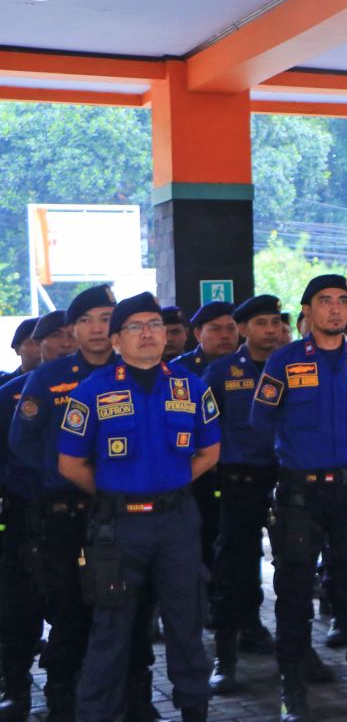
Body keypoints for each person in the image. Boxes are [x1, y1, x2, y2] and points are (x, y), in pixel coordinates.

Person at [57, 292, 218, 722]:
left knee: (186, 623)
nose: (147, 334)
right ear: (116, 341)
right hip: (119, 526)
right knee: (111, 630)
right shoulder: (92, 392)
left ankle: (194, 711)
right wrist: (118, 489)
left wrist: (172, 485)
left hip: (177, 523)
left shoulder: (192, 386)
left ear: (167, 335)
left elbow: (210, 451)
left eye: (155, 326)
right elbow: (70, 464)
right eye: (134, 327)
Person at [251, 274, 347, 722]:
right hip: (301, 493)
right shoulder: (284, 361)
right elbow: (261, 420)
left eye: (342, 301)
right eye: (325, 302)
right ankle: (293, 689)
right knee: (294, 593)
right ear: (307, 313)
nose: (335, 309)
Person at [9, 286, 161, 721]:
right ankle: (62, 701)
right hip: (66, 515)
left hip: (125, 512)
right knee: (71, 613)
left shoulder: (137, 371)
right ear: (73, 330)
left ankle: (137, 699)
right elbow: (25, 442)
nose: (98, 328)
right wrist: (70, 473)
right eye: (88, 319)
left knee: (133, 608)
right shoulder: (49, 377)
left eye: (106, 317)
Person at [204, 295, 285, 694]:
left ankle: (297, 651)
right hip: (240, 481)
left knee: (295, 567)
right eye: (261, 323)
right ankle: (226, 653)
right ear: (243, 329)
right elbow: (204, 426)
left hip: (289, 477)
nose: (270, 330)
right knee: (232, 568)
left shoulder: (296, 366)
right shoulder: (221, 372)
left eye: (275, 322)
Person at [0, 311, 75, 720]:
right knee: (17, 606)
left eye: (70, 336)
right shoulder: (8, 394)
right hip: (23, 514)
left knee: (72, 606)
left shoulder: (91, 388)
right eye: (52, 337)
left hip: (75, 514)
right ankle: (16, 686)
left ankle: (65, 690)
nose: (65, 344)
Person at [171, 302, 238, 583]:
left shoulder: (248, 366)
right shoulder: (178, 371)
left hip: (235, 468)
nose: (225, 335)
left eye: (231, 329)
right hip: (195, 472)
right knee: (199, 539)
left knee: (236, 542)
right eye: (216, 329)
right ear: (198, 333)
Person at [2, 318, 40, 382]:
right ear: (17, 349)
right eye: (34, 342)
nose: (42, 348)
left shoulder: (61, 382)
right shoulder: (4, 385)